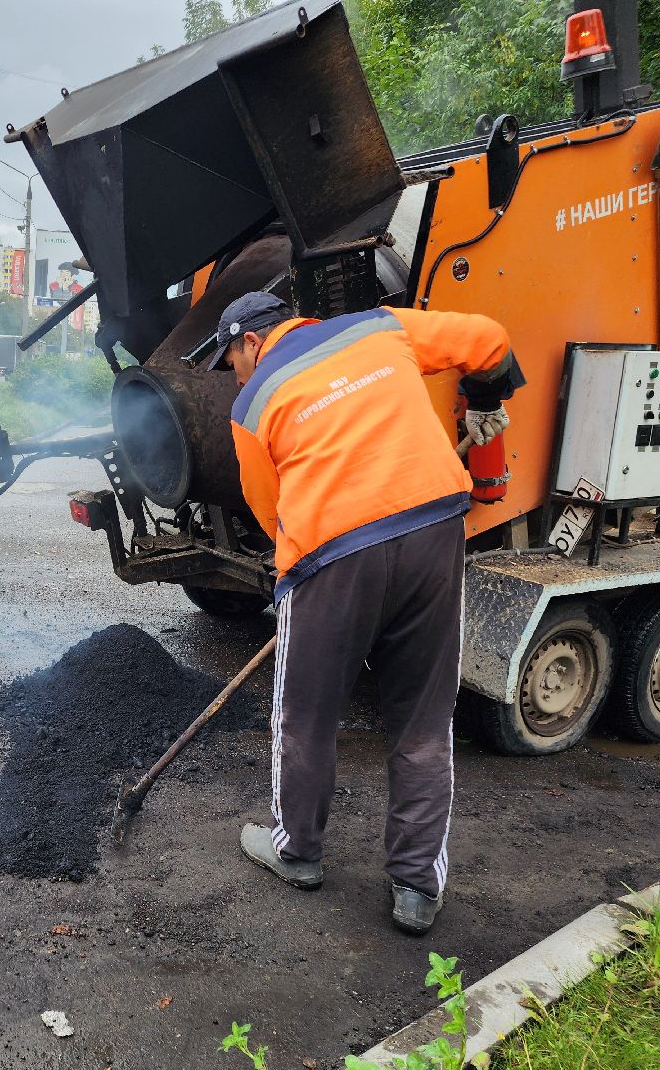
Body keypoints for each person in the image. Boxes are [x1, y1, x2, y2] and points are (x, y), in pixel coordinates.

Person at [208, 292, 522, 935]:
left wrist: (299, 568)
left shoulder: (253, 402)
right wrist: (487, 400)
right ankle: (416, 887)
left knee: (304, 718)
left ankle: (297, 852)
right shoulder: (382, 328)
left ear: (248, 341)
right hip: (434, 532)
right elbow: (488, 333)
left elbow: (269, 512)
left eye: (230, 360)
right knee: (423, 720)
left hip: (333, 556)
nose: (234, 374)